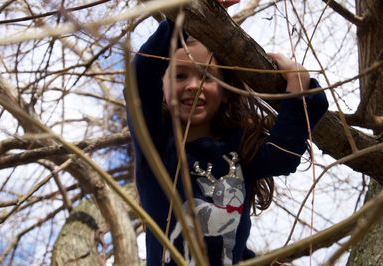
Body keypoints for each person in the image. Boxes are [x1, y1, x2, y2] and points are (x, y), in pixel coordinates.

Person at [126, 18, 328, 266]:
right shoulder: (154, 146)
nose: (193, 85)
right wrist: (186, 18)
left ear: (224, 92)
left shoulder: (239, 148)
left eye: (207, 77)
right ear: (162, 90)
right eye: (179, 76)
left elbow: (281, 155)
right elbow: (139, 78)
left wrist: (299, 84)